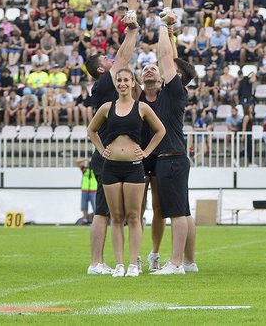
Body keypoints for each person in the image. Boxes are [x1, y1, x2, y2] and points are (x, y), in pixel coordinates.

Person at [86, 64, 166, 278]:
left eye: (126, 80)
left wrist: (147, 152)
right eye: (119, 80)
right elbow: (91, 130)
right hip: (111, 167)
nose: (122, 84)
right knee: (116, 216)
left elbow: (160, 131)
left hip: (133, 168)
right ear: (116, 83)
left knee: (133, 216)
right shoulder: (106, 107)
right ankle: (119, 264)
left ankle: (133, 264)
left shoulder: (142, 108)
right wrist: (102, 149)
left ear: (133, 83)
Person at [83, 15, 139, 275]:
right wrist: (132, 31)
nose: (110, 59)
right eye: (106, 60)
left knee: (105, 211)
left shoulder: (101, 86)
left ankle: (99, 261)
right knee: (103, 212)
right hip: (107, 156)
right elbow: (124, 60)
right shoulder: (107, 82)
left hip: (105, 155)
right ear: (103, 71)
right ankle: (96, 262)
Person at [144, 15, 196, 275]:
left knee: (176, 213)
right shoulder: (173, 91)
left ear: (177, 75)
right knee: (183, 211)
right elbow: (170, 56)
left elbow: (166, 56)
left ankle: (176, 264)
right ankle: (188, 262)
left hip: (171, 157)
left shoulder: (175, 89)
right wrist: (171, 33)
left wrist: (163, 25)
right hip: (174, 157)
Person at [77, 157, 98, 225]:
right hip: (85, 190)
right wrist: (86, 159)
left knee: (95, 207)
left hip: (93, 190)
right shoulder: (85, 169)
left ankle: (95, 221)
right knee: (84, 206)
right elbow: (77, 162)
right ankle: (85, 220)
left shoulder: (96, 170)